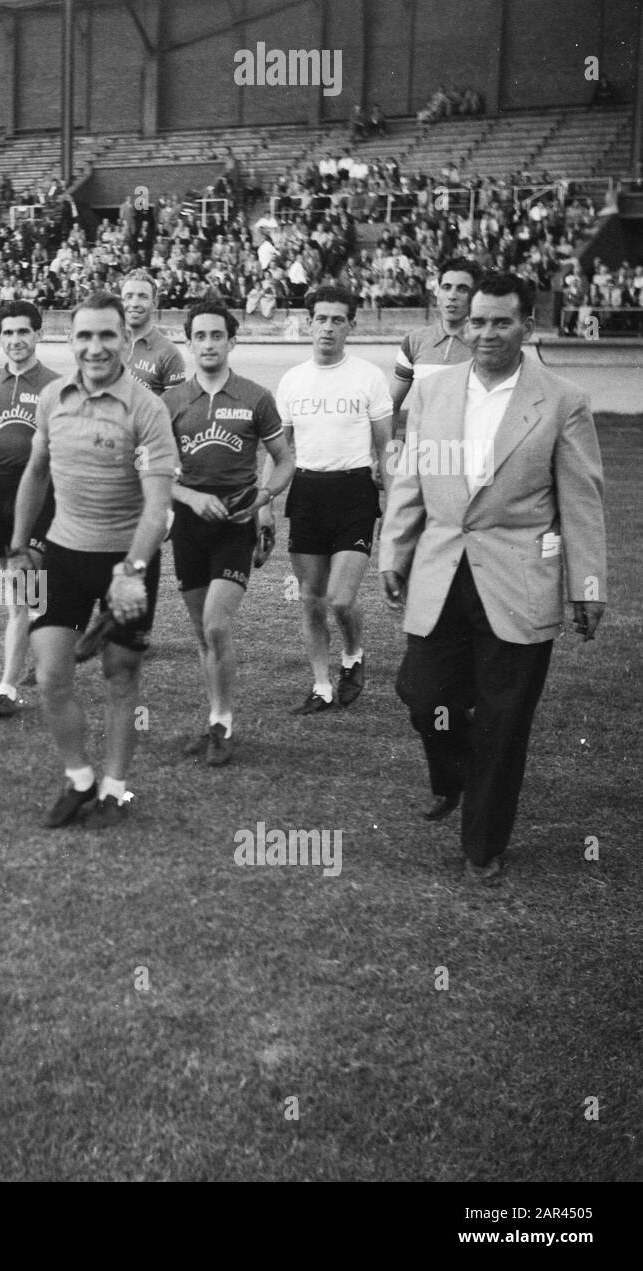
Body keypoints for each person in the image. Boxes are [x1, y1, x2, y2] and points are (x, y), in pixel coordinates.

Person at [380, 273, 607, 881]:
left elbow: (581, 501)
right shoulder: (433, 393)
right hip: (441, 572)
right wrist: (393, 553)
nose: (485, 332)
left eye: (500, 322)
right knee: (425, 699)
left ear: (526, 327)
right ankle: (452, 773)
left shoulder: (562, 400)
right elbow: (410, 481)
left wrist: (587, 585)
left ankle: (483, 846)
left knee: (503, 725)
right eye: (477, 320)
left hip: (520, 580)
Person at [8, 291, 176, 829]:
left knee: (120, 675)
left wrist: (131, 572)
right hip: (62, 554)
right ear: (70, 340)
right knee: (52, 673)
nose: (95, 346)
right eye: (84, 335)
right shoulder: (53, 397)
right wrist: (18, 545)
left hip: (126, 561)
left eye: (107, 335)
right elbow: (36, 472)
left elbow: (158, 505)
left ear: (126, 340)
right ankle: (79, 777)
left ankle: (116, 787)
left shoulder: (146, 408)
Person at [166, 302, 295, 765]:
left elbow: (285, 460)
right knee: (203, 635)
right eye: (198, 336)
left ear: (232, 341)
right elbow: (154, 471)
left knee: (217, 626)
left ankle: (223, 722)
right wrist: (187, 498)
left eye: (216, 335)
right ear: (189, 343)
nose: (207, 343)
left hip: (234, 526)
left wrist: (262, 501)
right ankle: (214, 718)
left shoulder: (256, 397)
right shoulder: (173, 402)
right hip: (188, 527)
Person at [272, 285, 394, 714]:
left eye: (337, 319)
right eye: (320, 318)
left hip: (355, 492)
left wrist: (393, 500)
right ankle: (322, 686)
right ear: (309, 323)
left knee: (340, 599)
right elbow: (281, 452)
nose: (327, 327)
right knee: (310, 599)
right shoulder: (292, 381)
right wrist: (266, 504)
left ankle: (354, 655)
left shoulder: (369, 377)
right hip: (307, 494)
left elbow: (386, 447)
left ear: (351, 326)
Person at [0, 300, 61, 716]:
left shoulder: (57, 386)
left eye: (23, 331)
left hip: (40, 491)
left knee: (21, 586)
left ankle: (6, 686)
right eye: (8, 332)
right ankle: (47, 641)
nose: (15, 340)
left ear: (38, 334)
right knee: (25, 589)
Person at [391, 257, 479, 436]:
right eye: (447, 287)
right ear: (438, 293)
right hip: (421, 456)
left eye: (462, 289)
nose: (452, 296)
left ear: (475, 297)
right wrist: (389, 460)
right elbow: (391, 407)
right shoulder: (414, 341)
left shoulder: (484, 345)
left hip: (467, 456)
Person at [120, 269, 187, 396]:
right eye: (129, 296)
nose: (134, 303)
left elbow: (177, 411)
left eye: (143, 296)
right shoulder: (108, 345)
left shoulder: (169, 353)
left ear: (154, 304)